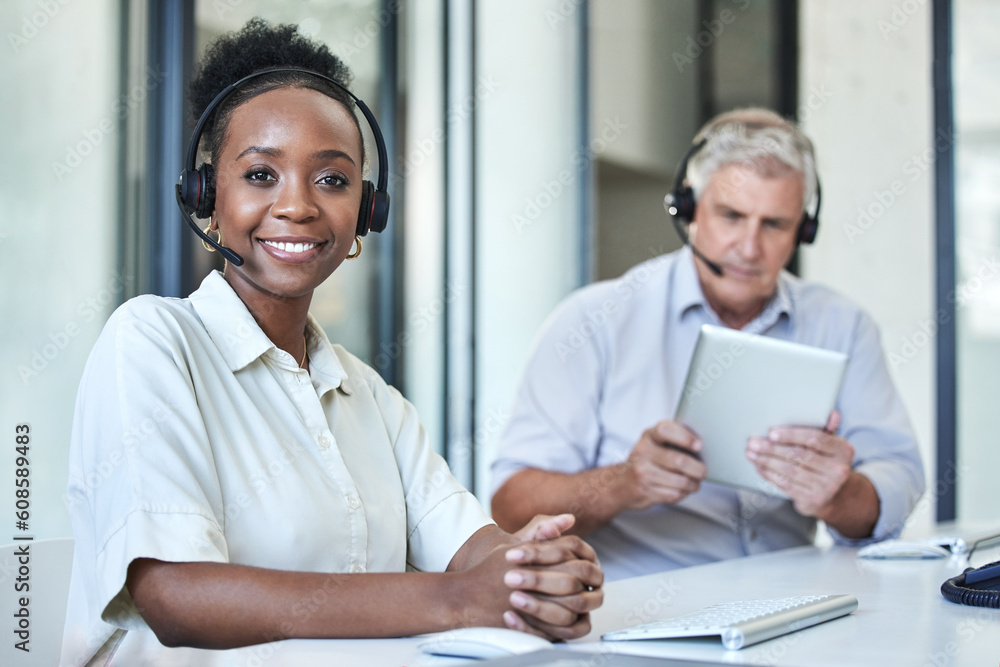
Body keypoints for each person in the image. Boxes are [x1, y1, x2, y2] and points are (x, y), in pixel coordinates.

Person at [61, 18, 602, 665]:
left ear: (365, 214)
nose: (298, 206)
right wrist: (459, 598)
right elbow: (176, 594)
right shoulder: (151, 341)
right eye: (261, 174)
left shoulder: (367, 393)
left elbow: (472, 545)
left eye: (333, 179)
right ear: (207, 195)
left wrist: (532, 565)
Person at [490, 108, 925, 582]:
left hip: (793, 603)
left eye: (775, 224)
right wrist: (623, 483)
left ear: (804, 230)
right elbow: (511, 507)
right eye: (732, 216)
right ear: (689, 209)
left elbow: (899, 474)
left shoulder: (843, 325)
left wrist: (840, 496)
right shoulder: (592, 321)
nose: (749, 247)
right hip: (638, 614)